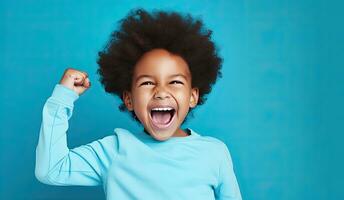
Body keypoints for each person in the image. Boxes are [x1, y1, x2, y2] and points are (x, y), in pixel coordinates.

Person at [35, 8, 242, 200]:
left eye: (175, 81)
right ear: (129, 99)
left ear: (192, 96)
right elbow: (51, 170)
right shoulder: (114, 150)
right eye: (148, 82)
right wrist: (62, 99)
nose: (161, 92)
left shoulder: (214, 153)